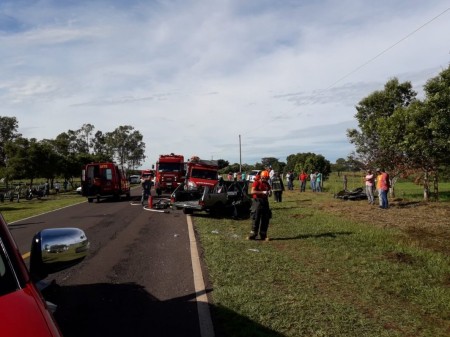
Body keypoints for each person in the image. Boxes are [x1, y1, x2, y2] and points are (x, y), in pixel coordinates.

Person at [248, 170, 272, 241]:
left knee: (265, 218)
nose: (266, 179)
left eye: (267, 178)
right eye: (265, 178)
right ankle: (253, 234)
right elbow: (252, 191)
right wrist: (262, 192)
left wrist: (269, 193)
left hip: (265, 202)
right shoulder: (256, 182)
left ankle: (263, 235)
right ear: (262, 177)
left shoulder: (267, 184)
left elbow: (269, 192)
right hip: (257, 202)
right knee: (256, 218)